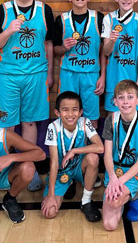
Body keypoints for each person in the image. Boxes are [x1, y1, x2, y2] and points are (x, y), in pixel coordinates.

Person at [0, 0, 54, 192]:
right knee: (6, 124)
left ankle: (30, 168)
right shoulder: (3, 10)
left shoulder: (44, 10)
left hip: (36, 75)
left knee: (30, 122)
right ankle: (6, 169)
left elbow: (49, 44)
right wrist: (8, 31)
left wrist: (50, 73)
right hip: (8, 76)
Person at [41, 91, 104, 222]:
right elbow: (54, 162)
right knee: (50, 212)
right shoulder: (53, 127)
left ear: (80, 112)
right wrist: (51, 195)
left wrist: (74, 151)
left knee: (93, 158)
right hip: (61, 171)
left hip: (79, 167)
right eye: (65, 110)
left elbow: (100, 147)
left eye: (74, 110)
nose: (70, 114)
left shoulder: (85, 122)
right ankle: (69, 183)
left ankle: (86, 201)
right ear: (57, 112)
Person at [54, 0, 105, 128]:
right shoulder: (61, 20)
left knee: (92, 117)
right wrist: (64, 47)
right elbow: (56, 50)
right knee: (67, 115)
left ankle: (90, 144)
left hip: (91, 74)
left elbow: (104, 51)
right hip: (68, 74)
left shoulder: (99, 18)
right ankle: (68, 143)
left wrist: (103, 75)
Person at [102, 80, 138, 230]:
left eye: (130, 97)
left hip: (135, 171)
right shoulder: (110, 120)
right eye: (121, 97)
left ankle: (134, 196)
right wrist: (113, 178)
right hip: (114, 170)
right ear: (115, 101)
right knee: (109, 225)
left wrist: (120, 181)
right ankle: (123, 198)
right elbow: (107, 155)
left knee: (116, 202)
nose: (125, 102)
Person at [101, 0, 138, 112]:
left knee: (132, 117)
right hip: (113, 79)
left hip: (133, 79)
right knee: (113, 117)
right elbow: (106, 52)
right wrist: (112, 41)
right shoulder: (108, 19)